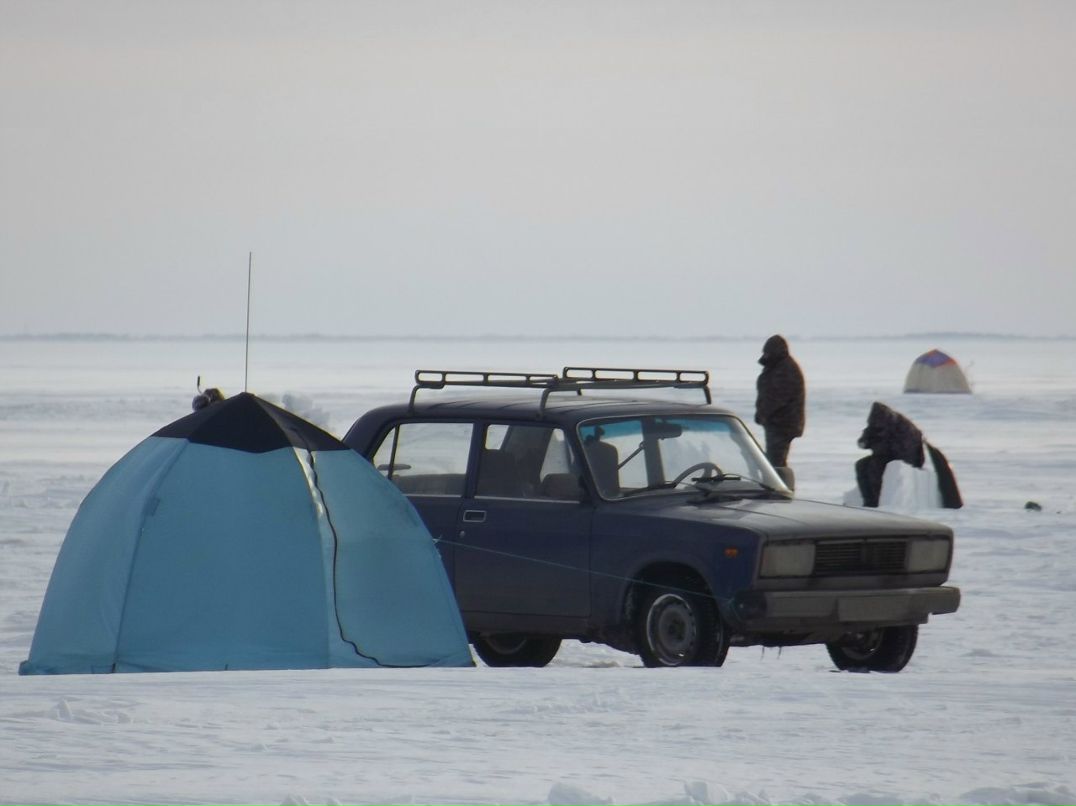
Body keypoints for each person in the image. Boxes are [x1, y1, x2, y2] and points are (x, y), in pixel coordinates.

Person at [754, 334, 805, 470]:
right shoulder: (776, 366)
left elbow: (776, 398)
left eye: (768, 352)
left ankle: (779, 487)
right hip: (777, 423)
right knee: (774, 460)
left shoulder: (786, 369)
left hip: (782, 424)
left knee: (775, 463)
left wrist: (763, 413)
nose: (765, 355)